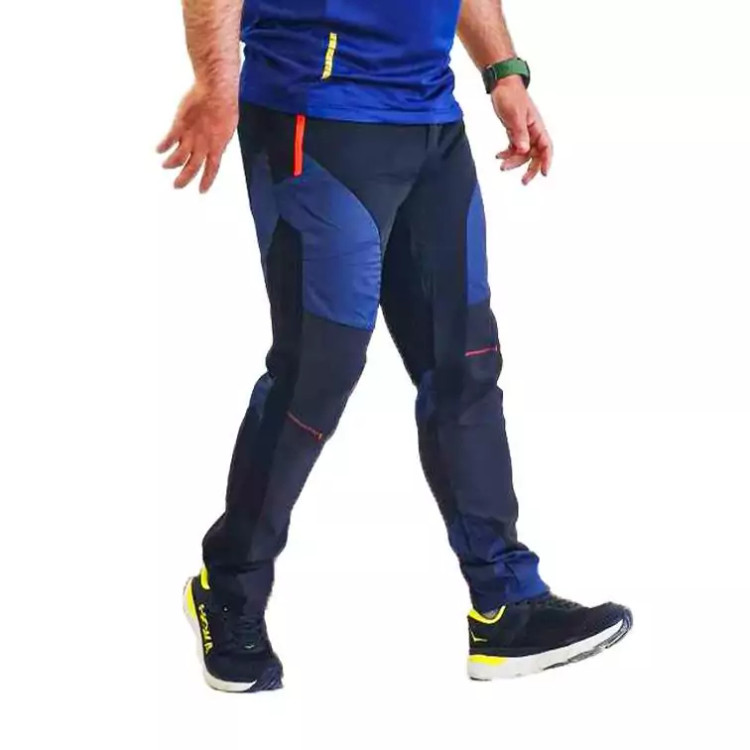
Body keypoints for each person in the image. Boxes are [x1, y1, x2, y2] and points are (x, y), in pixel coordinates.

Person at [159, 0, 632, 693]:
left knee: (465, 362)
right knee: (317, 369)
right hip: (316, 113)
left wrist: (503, 71)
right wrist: (216, 83)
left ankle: (506, 603)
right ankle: (228, 587)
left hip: (430, 121)